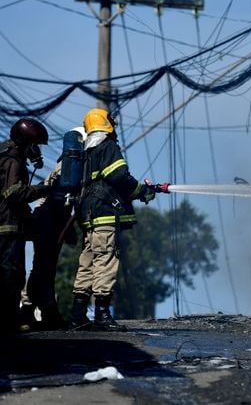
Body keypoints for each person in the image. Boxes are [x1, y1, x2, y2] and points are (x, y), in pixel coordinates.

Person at [70, 108, 156, 331]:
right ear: (105, 123)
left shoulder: (86, 151)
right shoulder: (107, 146)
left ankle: (77, 315)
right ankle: (102, 315)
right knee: (106, 261)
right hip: (104, 214)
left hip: (87, 215)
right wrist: (141, 191)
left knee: (87, 262)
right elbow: (118, 176)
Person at [20, 127, 86, 331]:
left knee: (41, 268)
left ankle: (30, 312)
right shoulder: (71, 167)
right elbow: (60, 202)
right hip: (50, 222)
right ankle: (42, 313)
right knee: (44, 269)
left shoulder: (64, 165)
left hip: (45, 220)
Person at [0, 118, 50, 335]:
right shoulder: (13, 162)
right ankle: (8, 323)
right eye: (34, 145)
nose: (36, 150)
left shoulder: (4, 157)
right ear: (26, 143)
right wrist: (42, 189)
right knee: (11, 276)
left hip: (6, 225)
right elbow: (13, 193)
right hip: (8, 227)